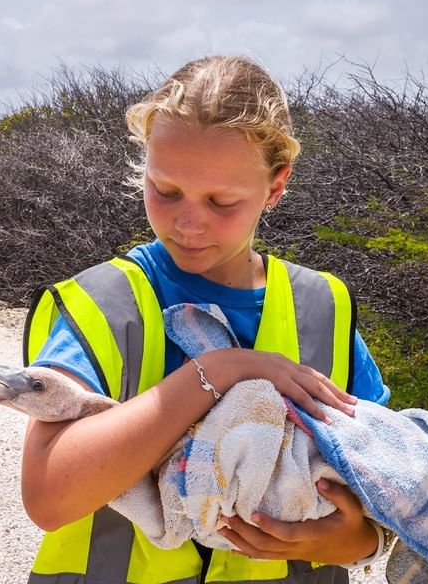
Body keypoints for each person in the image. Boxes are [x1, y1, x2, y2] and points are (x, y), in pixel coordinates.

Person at [20, 55, 392, 584]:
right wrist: (218, 371)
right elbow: (50, 498)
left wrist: (356, 541)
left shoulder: (323, 308)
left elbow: (391, 481)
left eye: (222, 201)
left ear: (276, 185)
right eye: (165, 191)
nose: (188, 222)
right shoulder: (104, 302)